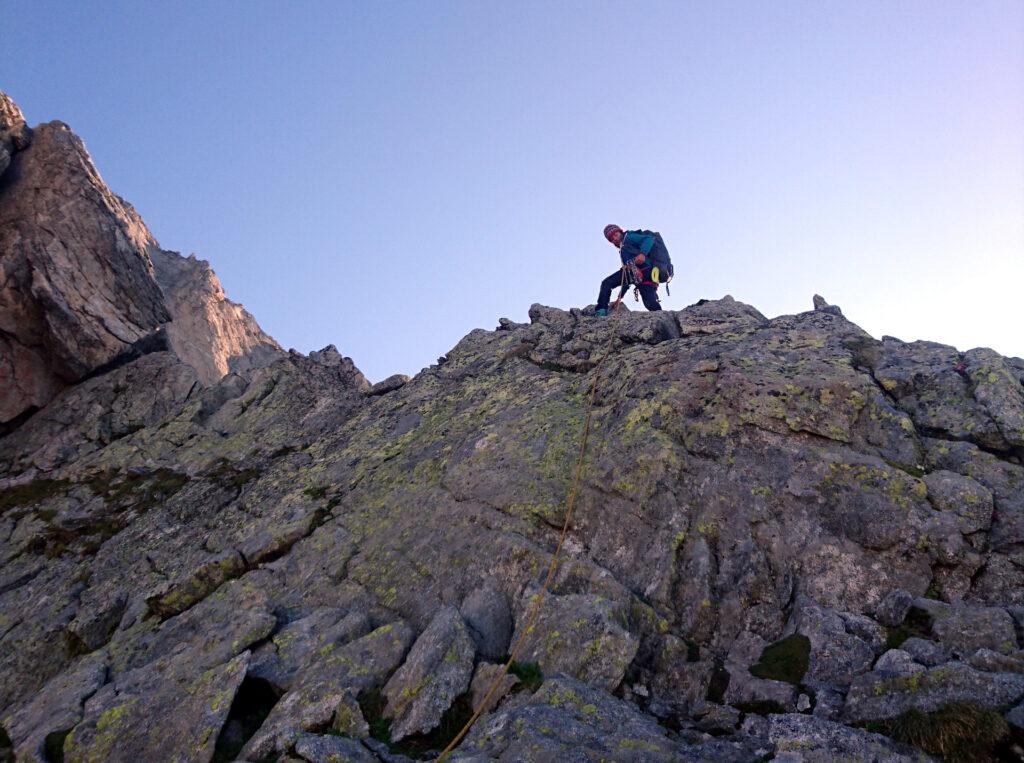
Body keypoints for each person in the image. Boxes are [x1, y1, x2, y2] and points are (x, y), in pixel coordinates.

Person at [595, 224, 670, 315]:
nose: (614, 238)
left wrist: (643, 254)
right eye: (611, 239)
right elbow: (626, 278)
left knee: (606, 283)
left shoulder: (628, 237)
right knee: (650, 303)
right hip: (640, 276)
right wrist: (620, 297)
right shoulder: (623, 249)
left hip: (645, 270)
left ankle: (601, 310)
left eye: (615, 234)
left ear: (620, 232)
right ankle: (601, 310)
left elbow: (649, 239)